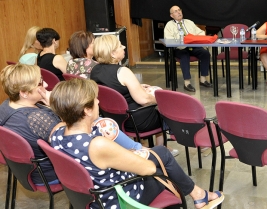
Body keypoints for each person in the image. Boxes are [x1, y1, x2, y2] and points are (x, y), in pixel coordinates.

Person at [49, 79, 224, 209]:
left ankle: (199, 194)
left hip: (88, 196)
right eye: (95, 100)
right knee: (162, 158)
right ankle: (198, 195)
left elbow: (69, 125)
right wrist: (135, 153)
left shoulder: (56, 133)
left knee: (160, 154)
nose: (98, 102)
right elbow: (147, 169)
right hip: (118, 199)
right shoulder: (98, 145)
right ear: (86, 110)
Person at [0, 64, 143, 186]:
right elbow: (71, 140)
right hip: (55, 172)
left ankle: (137, 151)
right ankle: (138, 152)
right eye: (39, 83)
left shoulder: (6, 105)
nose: (45, 85)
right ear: (24, 93)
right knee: (102, 124)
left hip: (28, 170)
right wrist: (57, 107)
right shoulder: (36, 119)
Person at [90, 35, 178, 155]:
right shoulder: (122, 71)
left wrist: (136, 86)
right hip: (136, 121)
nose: (124, 46)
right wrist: (160, 100)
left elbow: (114, 90)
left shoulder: (95, 71)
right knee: (166, 107)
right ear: (113, 53)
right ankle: (162, 149)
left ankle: (151, 147)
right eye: (120, 45)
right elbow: (144, 100)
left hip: (115, 119)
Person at [164, 5, 212, 92]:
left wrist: (192, 37)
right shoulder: (169, 25)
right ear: (171, 15)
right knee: (184, 55)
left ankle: (203, 79)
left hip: (192, 46)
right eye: (175, 11)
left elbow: (201, 33)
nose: (179, 12)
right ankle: (187, 83)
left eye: (179, 10)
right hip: (179, 49)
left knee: (205, 54)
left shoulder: (189, 22)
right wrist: (181, 39)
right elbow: (168, 40)